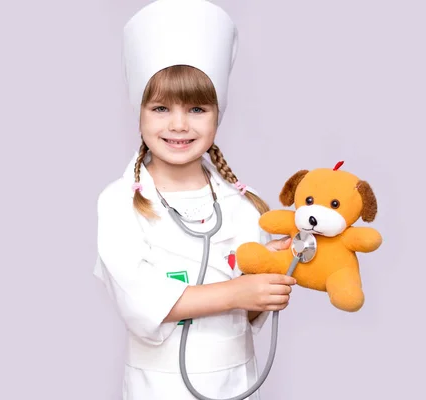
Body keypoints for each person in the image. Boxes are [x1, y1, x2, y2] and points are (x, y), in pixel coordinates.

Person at [93, 1, 297, 399]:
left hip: (237, 383)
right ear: (139, 114)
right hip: (159, 388)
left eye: (198, 108)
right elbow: (141, 302)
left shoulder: (244, 204)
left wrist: (272, 272)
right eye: (161, 108)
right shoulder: (118, 202)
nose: (179, 125)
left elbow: (251, 312)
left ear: (218, 115)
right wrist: (239, 292)